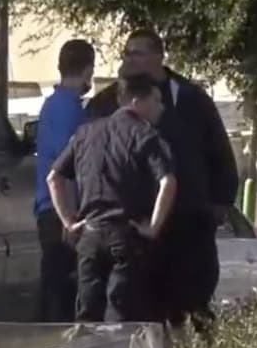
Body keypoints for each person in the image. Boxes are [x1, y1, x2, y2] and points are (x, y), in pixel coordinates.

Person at [86, 29, 237, 328]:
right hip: (131, 226)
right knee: (136, 308)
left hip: (186, 222)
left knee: (192, 305)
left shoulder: (189, 99)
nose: (129, 60)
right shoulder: (106, 102)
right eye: (126, 53)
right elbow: (88, 155)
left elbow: (219, 153)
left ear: (158, 57)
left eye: (137, 53)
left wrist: (218, 204)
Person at [48, 72, 178, 322]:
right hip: (126, 235)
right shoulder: (145, 135)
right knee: (123, 312)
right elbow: (168, 181)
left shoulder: (85, 133)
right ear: (137, 102)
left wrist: (68, 222)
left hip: (90, 235)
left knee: (87, 313)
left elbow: (54, 178)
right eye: (157, 100)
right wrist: (153, 227)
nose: (161, 108)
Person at [34, 39, 96, 322]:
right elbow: (64, 170)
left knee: (60, 291)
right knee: (62, 294)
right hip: (60, 212)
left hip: (52, 208)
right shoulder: (68, 110)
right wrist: (70, 218)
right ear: (88, 70)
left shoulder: (53, 106)